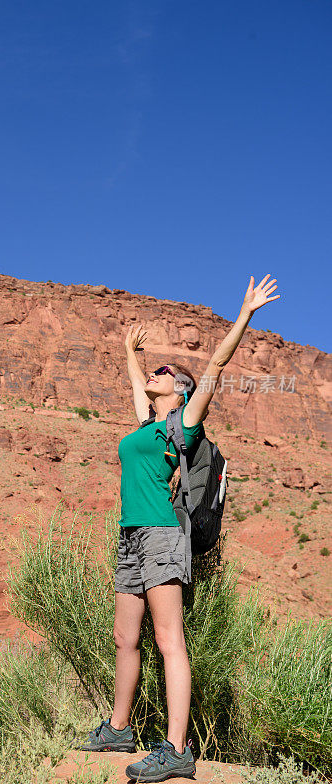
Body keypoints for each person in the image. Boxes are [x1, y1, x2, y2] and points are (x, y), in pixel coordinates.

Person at [78, 274, 280, 783]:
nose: (155, 372)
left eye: (164, 371)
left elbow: (215, 365)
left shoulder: (184, 422)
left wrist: (245, 315)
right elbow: (133, 384)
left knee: (170, 640)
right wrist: (129, 352)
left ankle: (177, 748)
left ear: (181, 389)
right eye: (154, 370)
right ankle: (119, 728)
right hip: (131, 536)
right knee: (126, 638)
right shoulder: (147, 424)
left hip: (165, 536)